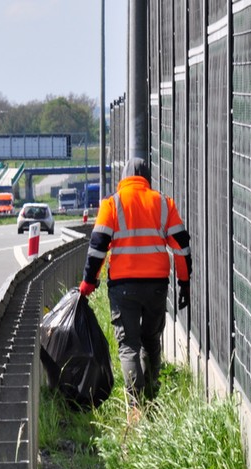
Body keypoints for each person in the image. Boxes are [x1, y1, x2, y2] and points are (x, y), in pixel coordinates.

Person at [78, 157, 192, 409]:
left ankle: (135, 406)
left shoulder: (112, 203)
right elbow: (182, 247)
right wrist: (184, 282)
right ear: (147, 178)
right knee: (151, 340)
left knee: (128, 345)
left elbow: (97, 247)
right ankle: (152, 394)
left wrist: (89, 281)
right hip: (156, 285)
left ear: (124, 178)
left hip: (123, 286)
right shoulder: (164, 203)